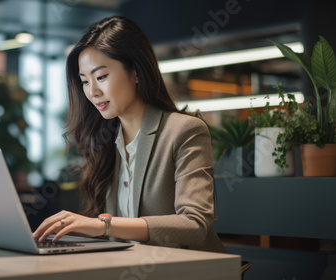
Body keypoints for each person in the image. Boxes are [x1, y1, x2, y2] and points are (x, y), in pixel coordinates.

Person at [32, 15, 226, 253]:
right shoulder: (104, 142)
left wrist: (103, 226)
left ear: (136, 72)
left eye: (101, 77)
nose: (92, 92)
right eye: (84, 81)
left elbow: (195, 225)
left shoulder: (184, 131)